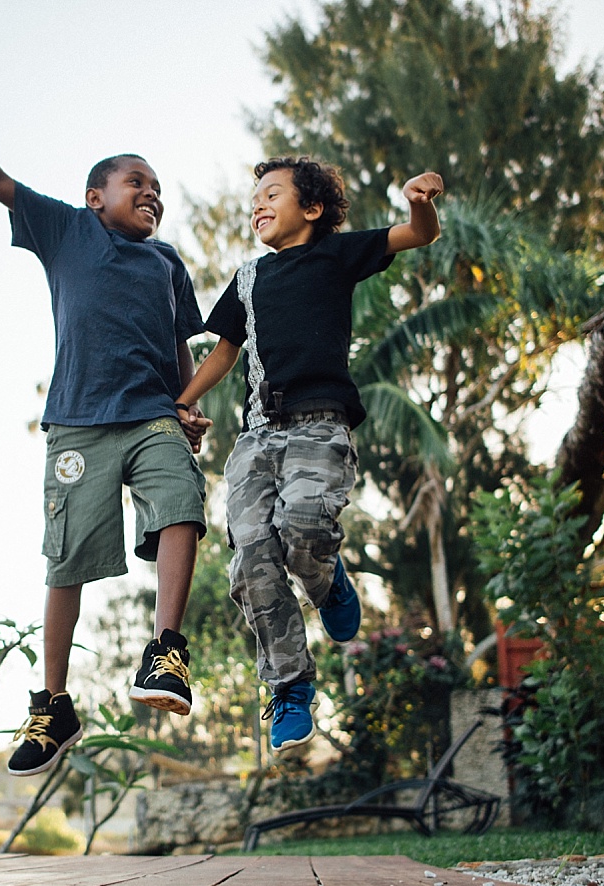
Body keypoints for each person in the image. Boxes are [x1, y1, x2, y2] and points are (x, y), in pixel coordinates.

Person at [0, 88, 208, 776]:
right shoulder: (65, 229)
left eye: (157, 187)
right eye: (136, 182)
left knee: (182, 500)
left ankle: (167, 651)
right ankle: (53, 703)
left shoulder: (168, 263)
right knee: (66, 562)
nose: (151, 193)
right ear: (97, 197)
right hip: (77, 427)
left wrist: (187, 404)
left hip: (154, 415)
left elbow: (183, 341)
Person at [174, 156, 442, 756]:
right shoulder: (247, 279)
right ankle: (290, 688)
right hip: (256, 437)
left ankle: (328, 584)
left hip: (320, 426)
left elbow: (418, 233)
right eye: (254, 200)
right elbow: (223, 353)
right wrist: (181, 403)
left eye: (273, 195)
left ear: (312, 208)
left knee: (302, 529)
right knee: (252, 558)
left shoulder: (337, 255)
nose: (258, 206)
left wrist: (419, 199)